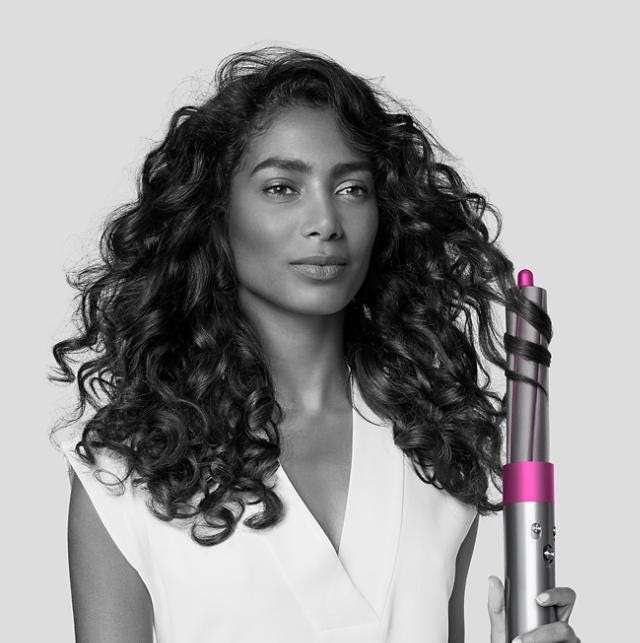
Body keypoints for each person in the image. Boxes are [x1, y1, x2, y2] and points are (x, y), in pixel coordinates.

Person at [50, 46, 580, 642]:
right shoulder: (126, 465)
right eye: (282, 187)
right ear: (215, 214)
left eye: (352, 188)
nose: (325, 220)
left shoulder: (435, 442)